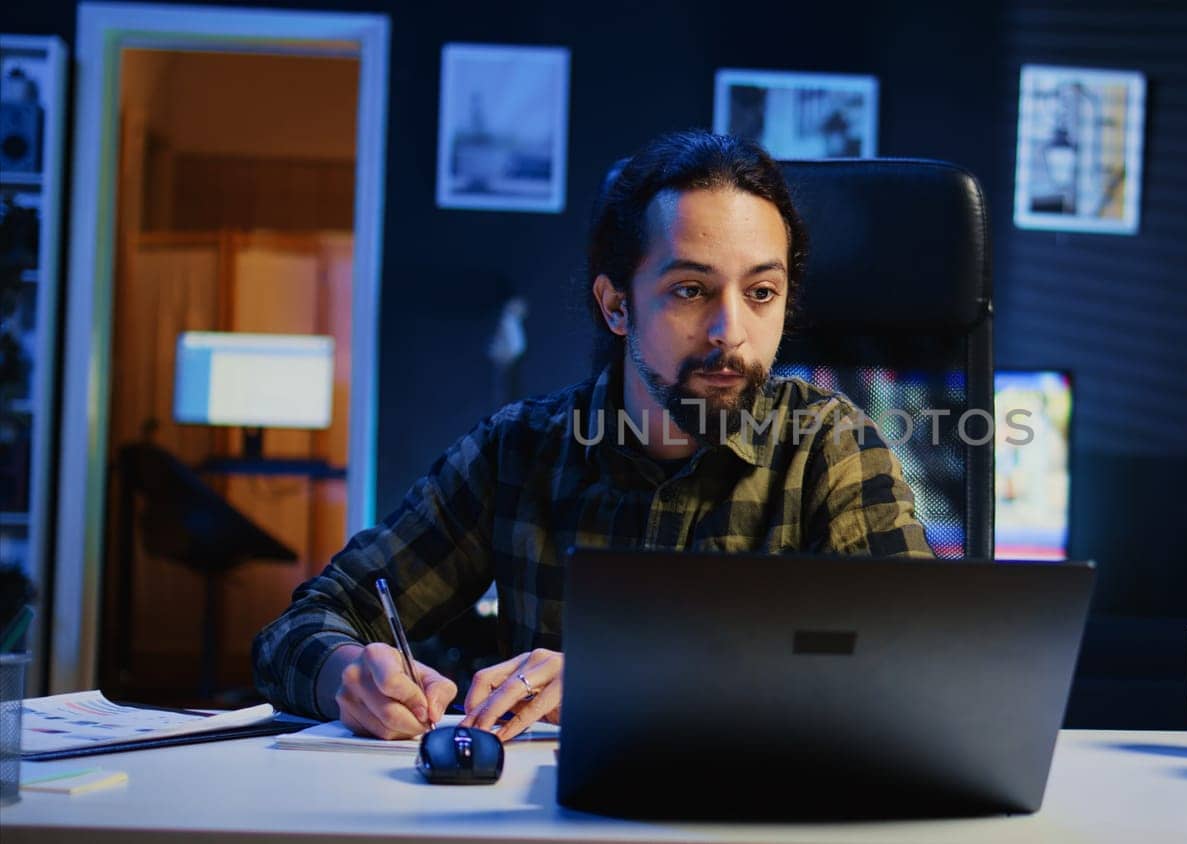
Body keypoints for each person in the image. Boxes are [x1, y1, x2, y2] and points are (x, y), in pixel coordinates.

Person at [252, 129, 932, 742]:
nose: (731, 332)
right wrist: (347, 676)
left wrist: (625, 684)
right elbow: (305, 624)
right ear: (616, 305)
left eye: (761, 293)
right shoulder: (518, 452)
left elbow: (918, 672)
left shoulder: (829, 449)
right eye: (691, 291)